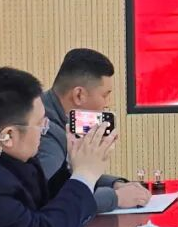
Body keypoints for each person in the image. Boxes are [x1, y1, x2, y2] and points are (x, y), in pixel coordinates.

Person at [0, 68, 119, 227]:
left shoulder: (23, 161)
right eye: (40, 124)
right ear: (8, 135)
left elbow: (51, 205)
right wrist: (84, 175)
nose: (45, 131)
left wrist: (75, 165)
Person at [35, 49, 149, 212]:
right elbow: (54, 200)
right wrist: (116, 198)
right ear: (79, 95)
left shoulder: (61, 119)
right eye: (105, 95)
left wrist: (114, 184)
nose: (107, 104)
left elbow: (71, 178)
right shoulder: (47, 131)